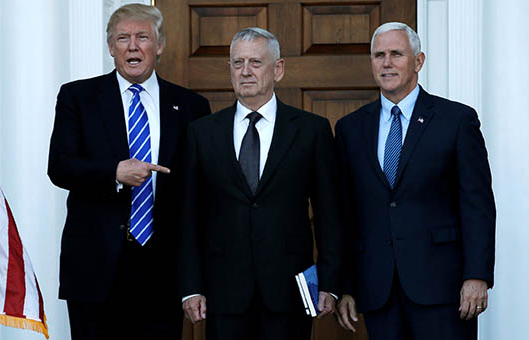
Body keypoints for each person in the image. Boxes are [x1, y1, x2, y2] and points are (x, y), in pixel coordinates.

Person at [47, 4, 211, 339]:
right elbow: (59, 166)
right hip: (95, 265)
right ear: (111, 47)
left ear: (159, 45)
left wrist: (195, 277)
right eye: (123, 38)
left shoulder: (192, 106)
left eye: (142, 37)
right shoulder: (78, 97)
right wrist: (113, 172)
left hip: (161, 268)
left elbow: (199, 192)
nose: (132, 46)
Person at [334, 22, 496, 340]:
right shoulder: (350, 128)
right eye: (378, 55)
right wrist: (346, 286)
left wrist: (477, 276)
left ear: (418, 61)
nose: (386, 62)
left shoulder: (456, 121)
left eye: (396, 54)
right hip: (378, 290)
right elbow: (346, 214)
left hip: (443, 289)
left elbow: (477, 205)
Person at [179, 27, 343, 340]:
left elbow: (330, 215)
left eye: (255, 62)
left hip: (289, 293)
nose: (245, 71)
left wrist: (331, 283)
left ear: (277, 69)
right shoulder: (202, 133)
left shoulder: (311, 131)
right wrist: (190, 287)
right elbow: (189, 216)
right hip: (223, 293)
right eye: (237, 63)